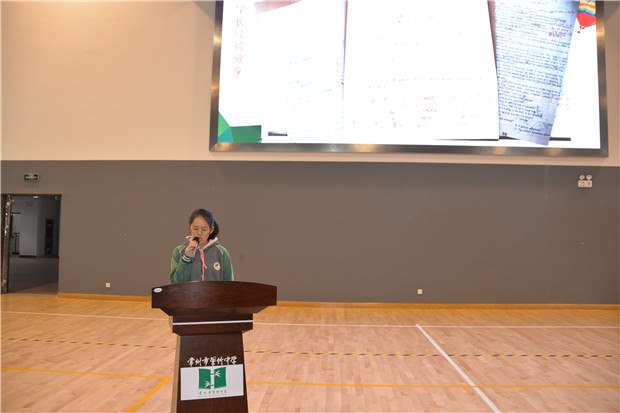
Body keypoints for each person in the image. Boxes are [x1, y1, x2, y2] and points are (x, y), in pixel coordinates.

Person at [170, 208, 234, 283]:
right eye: (195, 229)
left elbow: (230, 285)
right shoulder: (179, 251)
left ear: (211, 230)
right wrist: (186, 258)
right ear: (189, 228)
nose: (199, 233)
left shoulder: (221, 252)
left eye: (204, 229)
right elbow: (175, 283)